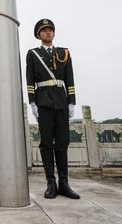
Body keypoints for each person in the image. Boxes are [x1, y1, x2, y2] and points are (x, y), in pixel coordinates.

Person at [26, 19, 80, 199]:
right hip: (43, 102)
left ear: (54, 33)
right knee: (47, 143)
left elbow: (70, 79)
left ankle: (64, 183)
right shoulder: (33, 54)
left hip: (61, 101)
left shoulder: (64, 53)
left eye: (50, 30)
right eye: (44, 30)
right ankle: (51, 182)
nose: (48, 32)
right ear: (39, 35)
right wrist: (32, 102)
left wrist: (71, 102)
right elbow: (30, 80)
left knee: (63, 142)